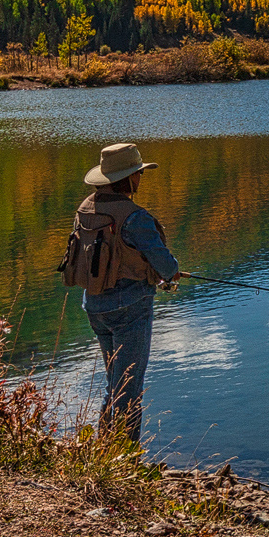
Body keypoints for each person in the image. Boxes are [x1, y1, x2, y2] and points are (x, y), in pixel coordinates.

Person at [77, 142, 183, 444]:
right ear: (130, 178)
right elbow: (165, 265)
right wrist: (171, 272)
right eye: (138, 173)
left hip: (94, 306)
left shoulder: (86, 208)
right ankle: (124, 456)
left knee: (115, 382)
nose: (140, 178)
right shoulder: (135, 217)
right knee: (129, 386)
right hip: (130, 309)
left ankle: (105, 449)